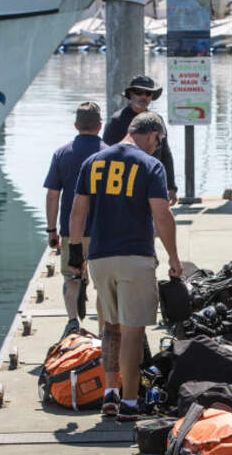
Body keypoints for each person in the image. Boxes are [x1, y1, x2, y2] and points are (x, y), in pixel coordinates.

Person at [67, 112, 183, 421]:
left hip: (100, 258)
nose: (157, 147)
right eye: (158, 141)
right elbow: (162, 215)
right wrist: (173, 257)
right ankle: (130, 403)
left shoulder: (92, 162)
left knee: (110, 326)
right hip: (135, 256)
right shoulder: (150, 165)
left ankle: (110, 392)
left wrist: (76, 254)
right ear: (152, 134)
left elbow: (78, 211)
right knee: (133, 331)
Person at [42, 102, 106, 337]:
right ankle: (103, 330)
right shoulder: (109, 153)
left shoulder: (62, 154)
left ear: (76, 125)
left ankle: (72, 322)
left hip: (71, 231)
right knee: (102, 282)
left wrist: (52, 230)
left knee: (71, 277)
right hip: (102, 230)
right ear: (100, 125)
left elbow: (52, 195)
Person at [102, 75, 178, 204]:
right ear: (131, 94)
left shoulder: (158, 120)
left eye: (148, 93)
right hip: (125, 185)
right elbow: (105, 155)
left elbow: (165, 154)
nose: (144, 97)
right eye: (139, 92)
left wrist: (171, 187)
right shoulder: (117, 120)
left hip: (152, 180)